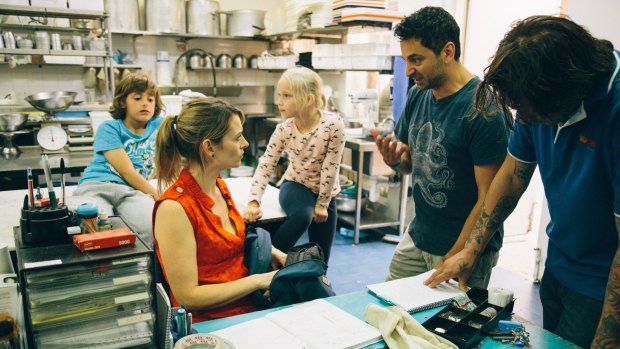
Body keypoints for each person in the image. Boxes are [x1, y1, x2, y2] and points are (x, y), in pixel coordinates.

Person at [425, 15, 620, 348]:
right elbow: (513, 177)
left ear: (564, 91)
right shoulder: (538, 94)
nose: (524, 119)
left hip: (602, 282)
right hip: (560, 265)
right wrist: (472, 248)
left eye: (528, 113)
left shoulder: (614, 110)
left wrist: (610, 334)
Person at [370, 6, 509, 288]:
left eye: (416, 59)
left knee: (443, 330)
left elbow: (489, 199)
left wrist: (458, 253)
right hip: (418, 235)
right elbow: (411, 162)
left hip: (463, 247)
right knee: (387, 307)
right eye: (405, 60)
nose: (409, 71)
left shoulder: (483, 111)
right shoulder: (418, 95)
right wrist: (396, 161)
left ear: (447, 52)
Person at [153, 98, 287, 323]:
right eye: (237, 138)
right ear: (209, 148)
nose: (244, 143)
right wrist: (259, 281)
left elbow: (227, 244)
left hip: (249, 306)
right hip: (210, 324)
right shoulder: (174, 209)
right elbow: (188, 297)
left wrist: (272, 251)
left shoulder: (219, 186)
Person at [241, 67, 345, 263]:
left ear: (308, 99)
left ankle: (313, 283)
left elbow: (331, 167)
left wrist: (322, 204)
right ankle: (265, 260)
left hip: (327, 193)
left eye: (286, 95)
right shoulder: (284, 129)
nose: (279, 101)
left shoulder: (333, 126)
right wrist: (254, 201)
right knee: (302, 216)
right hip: (295, 185)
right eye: (279, 95)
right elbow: (266, 164)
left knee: (321, 256)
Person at [74, 72, 163, 246]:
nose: (145, 103)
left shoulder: (158, 125)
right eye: (137, 98)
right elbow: (126, 171)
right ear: (123, 102)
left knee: (153, 227)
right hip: (97, 186)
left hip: (130, 191)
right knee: (98, 230)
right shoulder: (110, 128)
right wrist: (159, 197)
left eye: (150, 99)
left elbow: (177, 150)